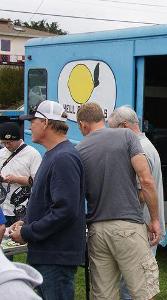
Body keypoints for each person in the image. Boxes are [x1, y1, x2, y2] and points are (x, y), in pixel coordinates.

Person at [76, 102, 161, 300]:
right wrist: (155, 219)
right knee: (144, 292)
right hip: (128, 227)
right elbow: (146, 181)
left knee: (104, 295)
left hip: (96, 230)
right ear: (102, 119)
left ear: (83, 124)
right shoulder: (127, 135)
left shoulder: (78, 150)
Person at [10, 100, 86, 300]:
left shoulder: (63, 158)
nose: (29, 126)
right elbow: (49, 202)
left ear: (45, 123)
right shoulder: (55, 155)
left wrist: (27, 232)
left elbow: (65, 210)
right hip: (48, 253)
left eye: (32, 121)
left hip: (55, 257)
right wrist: (26, 221)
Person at [108, 106, 165, 300]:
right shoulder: (145, 145)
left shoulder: (139, 150)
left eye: (112, 129)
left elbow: (141, 192)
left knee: (132, 287)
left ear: (124, 126)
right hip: (143, 225)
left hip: (141, 225)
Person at [0, 122, 41, 228]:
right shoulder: (1, 153)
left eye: (9, 142)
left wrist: (16, 179)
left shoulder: (33, 154)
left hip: (22, 211)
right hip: (2, 209)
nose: (7, 146)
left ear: (18, 138)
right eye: (4, 143)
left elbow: (39, 182)